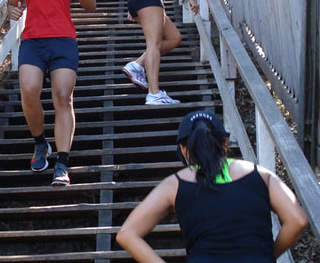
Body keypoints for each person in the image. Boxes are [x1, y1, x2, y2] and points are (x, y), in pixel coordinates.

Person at [116, 111, 309, 262]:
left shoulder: (174, 184)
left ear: (184, 150)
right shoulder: (260, 174)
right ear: (224, 144)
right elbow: (297, 220)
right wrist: (267, 254)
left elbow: (127, 234)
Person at [8, 0, 97, 186]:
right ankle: (40, 143)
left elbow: (90, 6)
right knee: (29, 90)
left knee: (62, 97)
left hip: (63, 41)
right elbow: (14, 4)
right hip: (33, 41)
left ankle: (62, 163)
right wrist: (13, 10)